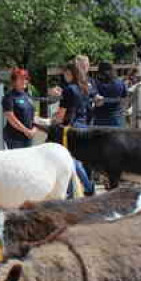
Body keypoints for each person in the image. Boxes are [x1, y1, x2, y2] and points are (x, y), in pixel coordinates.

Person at [49, 55, 96, 196]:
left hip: (71, 127)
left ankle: (86, 186)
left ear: (70, 73)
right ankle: (74, 189)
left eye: (65, 73)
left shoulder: (69, 89)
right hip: (83, 126)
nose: (64, 76)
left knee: (70, 160)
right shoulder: (83, 87)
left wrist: (52, 120)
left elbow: (62, 113)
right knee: (76, 160)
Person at [1, 67, 36, 149]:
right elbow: (11, 118)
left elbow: (34, 115)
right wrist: (26, 131)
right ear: (14, 81)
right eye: (21, 79)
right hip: (15, 138)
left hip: (29, 136)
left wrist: (34, 130)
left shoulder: (28, 96)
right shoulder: (9, 97)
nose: (24, 81)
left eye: (26, 79)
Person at [92, 61, 128, 127]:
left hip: (100, 119)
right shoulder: (120, 83)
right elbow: (125, 99)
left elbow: (95, 100)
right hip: (117, 119)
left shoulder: (95, 84)